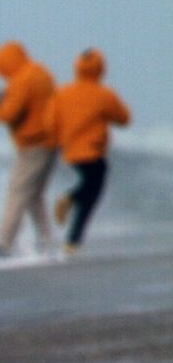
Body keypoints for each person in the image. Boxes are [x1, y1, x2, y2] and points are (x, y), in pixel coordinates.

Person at [48, 48, 132, 253]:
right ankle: (70, 206)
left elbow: (50, 123)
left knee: (90, 188)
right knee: (91, 191)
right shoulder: (103, 94)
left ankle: (72, 240)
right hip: (93, 150)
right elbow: (124, 118)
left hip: (70, 152)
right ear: (100, 69)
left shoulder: (62, 93)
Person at [0, 41, 58, 255]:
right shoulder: (41, 72)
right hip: (51, 142)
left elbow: (9, 114)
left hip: (33, 145)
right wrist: (3, 100)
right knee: (34, 194)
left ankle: (3, 243)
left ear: (8, 62)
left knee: (18, 192)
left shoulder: (21, 80)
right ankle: (47, 239)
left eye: (0, 67)